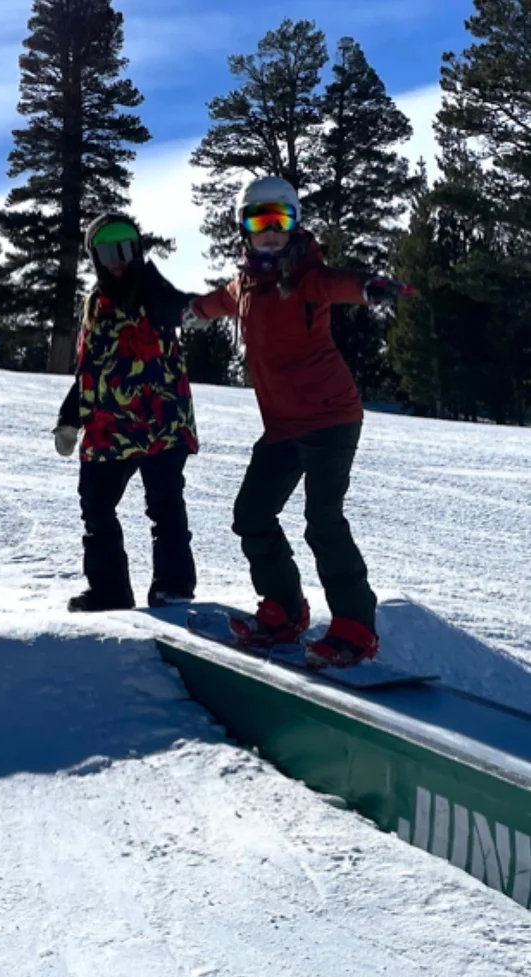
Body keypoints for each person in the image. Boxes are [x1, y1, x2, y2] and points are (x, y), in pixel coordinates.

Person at [183, 175, 413, 667]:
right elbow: (215, 302)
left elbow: (343, 283)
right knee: (251, 514)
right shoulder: (243, 284)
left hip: (331, 418)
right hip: (283, 425)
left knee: (322, 520)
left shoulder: (310, 276)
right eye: (259, 222)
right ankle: (285, 609)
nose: (269, 233)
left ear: (295, 225)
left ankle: (354, 628)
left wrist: (373, 288)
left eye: (279, 221)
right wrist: (190, 311)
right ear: (243, 229)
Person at [54, 212, 198, 613]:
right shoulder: (94, 307)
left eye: (125, 248)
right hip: (109, 428)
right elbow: (89, 372)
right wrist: (69, 419)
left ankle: (173, 589)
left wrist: (197, 311)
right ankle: (109, 592)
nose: (118, 259)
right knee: (95, 507)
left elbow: (176, 308)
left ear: (136, 250)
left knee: (165, 506)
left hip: (161, 423)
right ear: (96, 258)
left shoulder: (150, 289)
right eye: (107, 250)